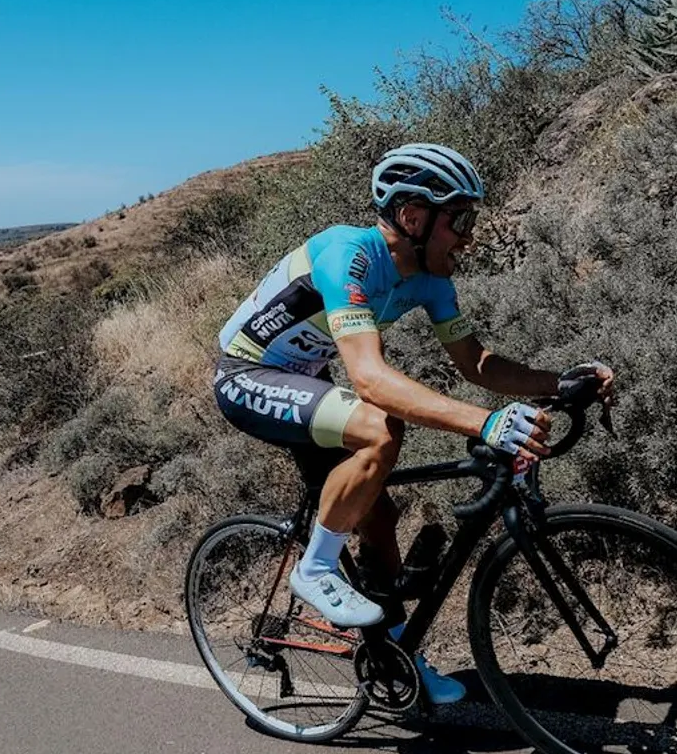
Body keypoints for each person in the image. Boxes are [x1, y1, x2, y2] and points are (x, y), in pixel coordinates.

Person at [212, 142, 615, 703]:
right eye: (460, 221)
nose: (468, 237)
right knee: (379, 428)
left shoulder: (430, 281)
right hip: (246, 374)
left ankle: (395, 656)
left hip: (305, 376)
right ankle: (315, 569)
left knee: (379, 513)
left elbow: (477, 363)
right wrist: (485, 424)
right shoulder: (346, 253)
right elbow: (370, 379)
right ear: (412, 217)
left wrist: (558, 382)